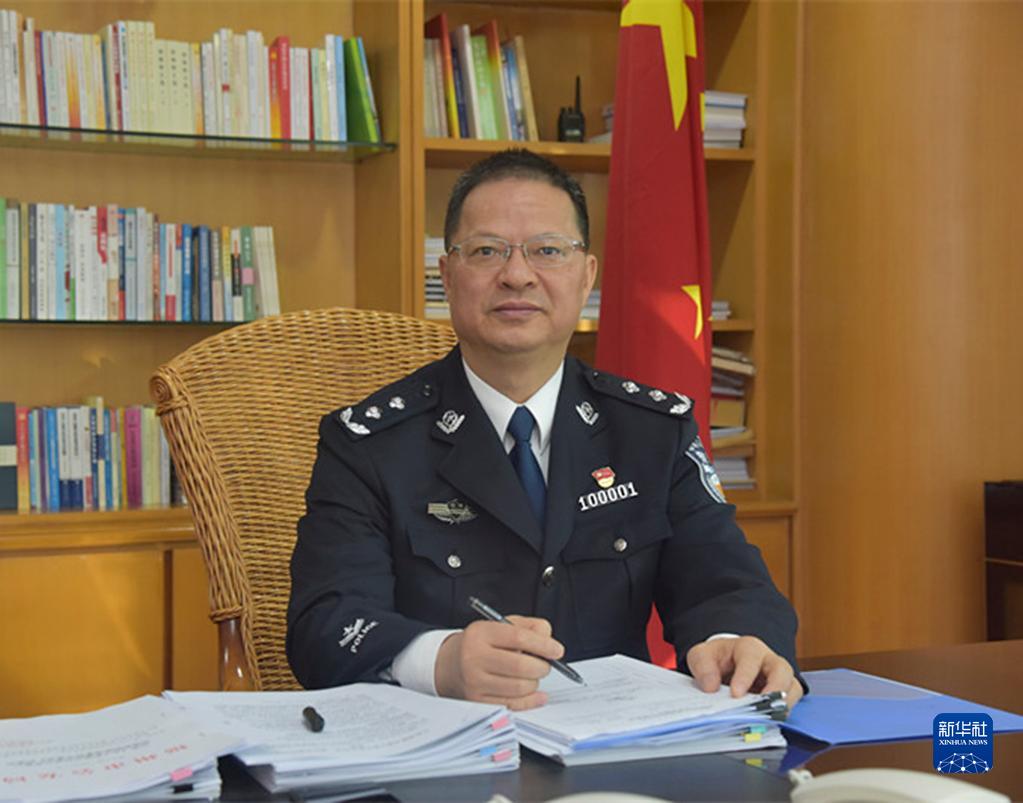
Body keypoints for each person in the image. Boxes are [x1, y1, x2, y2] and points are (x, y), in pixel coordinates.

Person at [287, 149, 803, 711]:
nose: (517, 275)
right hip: (446, 746)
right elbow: (326, 624)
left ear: (587, 278)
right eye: (486, 251)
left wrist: (735, 642)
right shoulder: (368, 444)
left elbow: (727, 582)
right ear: (447, 277)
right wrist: (442, 662)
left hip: (616, 747)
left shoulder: (653, 431)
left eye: (548, 251)